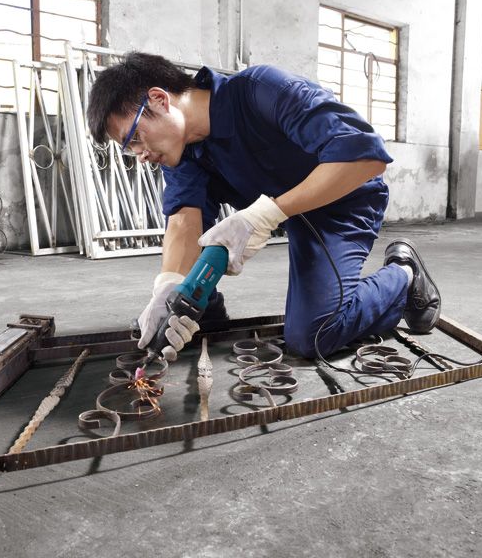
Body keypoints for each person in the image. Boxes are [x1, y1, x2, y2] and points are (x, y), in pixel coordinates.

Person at [86, 52, 441, 361]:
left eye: (135, 138)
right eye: (129, 149)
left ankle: (403, 275)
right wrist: (168, 286)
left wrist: (268, 214)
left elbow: (366, 157)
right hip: (291, 212)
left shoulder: (263, 90)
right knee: (180, 293)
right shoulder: (183, 152)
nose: (141, 155)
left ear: (160, 99)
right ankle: (206, 310)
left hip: (343, 202)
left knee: (313, 335)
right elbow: (183, 219)